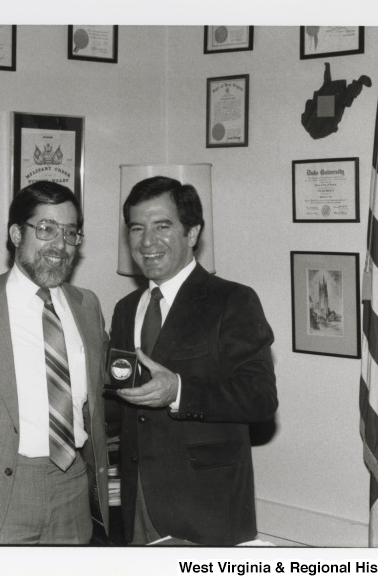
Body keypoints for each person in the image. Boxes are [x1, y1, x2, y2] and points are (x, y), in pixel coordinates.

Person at [111, 176, 277, 546]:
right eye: (137, 228)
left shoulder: (232, 301)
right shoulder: (125, 310)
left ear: (192, 233)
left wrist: (179, 392)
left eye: (162, 226)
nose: (147, 242)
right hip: (136, 503)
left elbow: (260, 398)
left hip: (207, 508)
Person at [0, 181, 109, 544]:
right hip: (2, 490)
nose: (60, 245)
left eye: (70, 233)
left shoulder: (88, 306)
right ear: (17, 233)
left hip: (73, 486)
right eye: (46, 229)